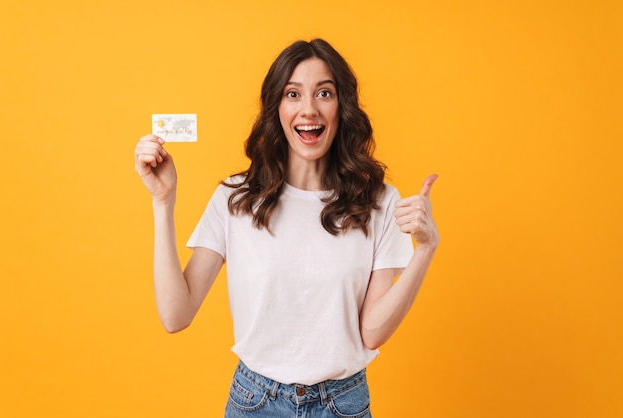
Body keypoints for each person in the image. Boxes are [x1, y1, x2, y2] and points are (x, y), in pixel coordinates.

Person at [134, 38, 438, 418]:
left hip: (342, 404)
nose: (308, 109)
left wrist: (424, 250)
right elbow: (175, 316)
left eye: (324, 93)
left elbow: (372, 333)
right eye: (293, 94)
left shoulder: (379, 201)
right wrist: (163, 202)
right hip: (255, 402)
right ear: (276, 107)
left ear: (341, 107)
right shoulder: (237, 198)